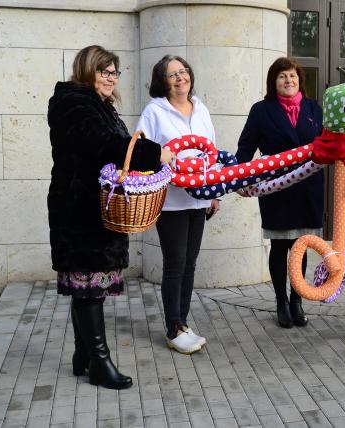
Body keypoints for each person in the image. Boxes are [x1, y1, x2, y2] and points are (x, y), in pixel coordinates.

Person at [47, 45, 174, 389]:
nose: (110, 78)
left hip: (90, 207)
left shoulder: (98, 104)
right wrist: (155, 153)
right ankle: (99, 362)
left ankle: (83, 355)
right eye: (104, 71)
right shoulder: (76, 103)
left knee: (86, 287)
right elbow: (104, 145)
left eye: (114, 72)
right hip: (80, 210)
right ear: (87, 71)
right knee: (88, 287)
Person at [136, 55, 220, 354]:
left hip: (199, 198)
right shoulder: (154, 111)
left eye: (183, 71)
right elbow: (142, 149)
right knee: (175, 264)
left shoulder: (201, 108)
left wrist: (215, 193)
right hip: (170, 200)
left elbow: (212, 150)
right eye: (172, 74)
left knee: (190, 263)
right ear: (163, 81)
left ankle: (183, 322)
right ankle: (173, 328)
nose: (180, 77)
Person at [236, 57, 324, 328]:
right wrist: (239, 178)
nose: (288, 81)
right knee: (279, 246)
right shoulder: (261, 110)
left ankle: (297, 299)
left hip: (308, 187)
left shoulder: (313, 107)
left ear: (300, 80)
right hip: (276, 187)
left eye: (293, 76)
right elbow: (246, 147)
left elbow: (328, 143)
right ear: (273, 82)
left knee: (301, 245)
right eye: (282, 76)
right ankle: (280, 301)